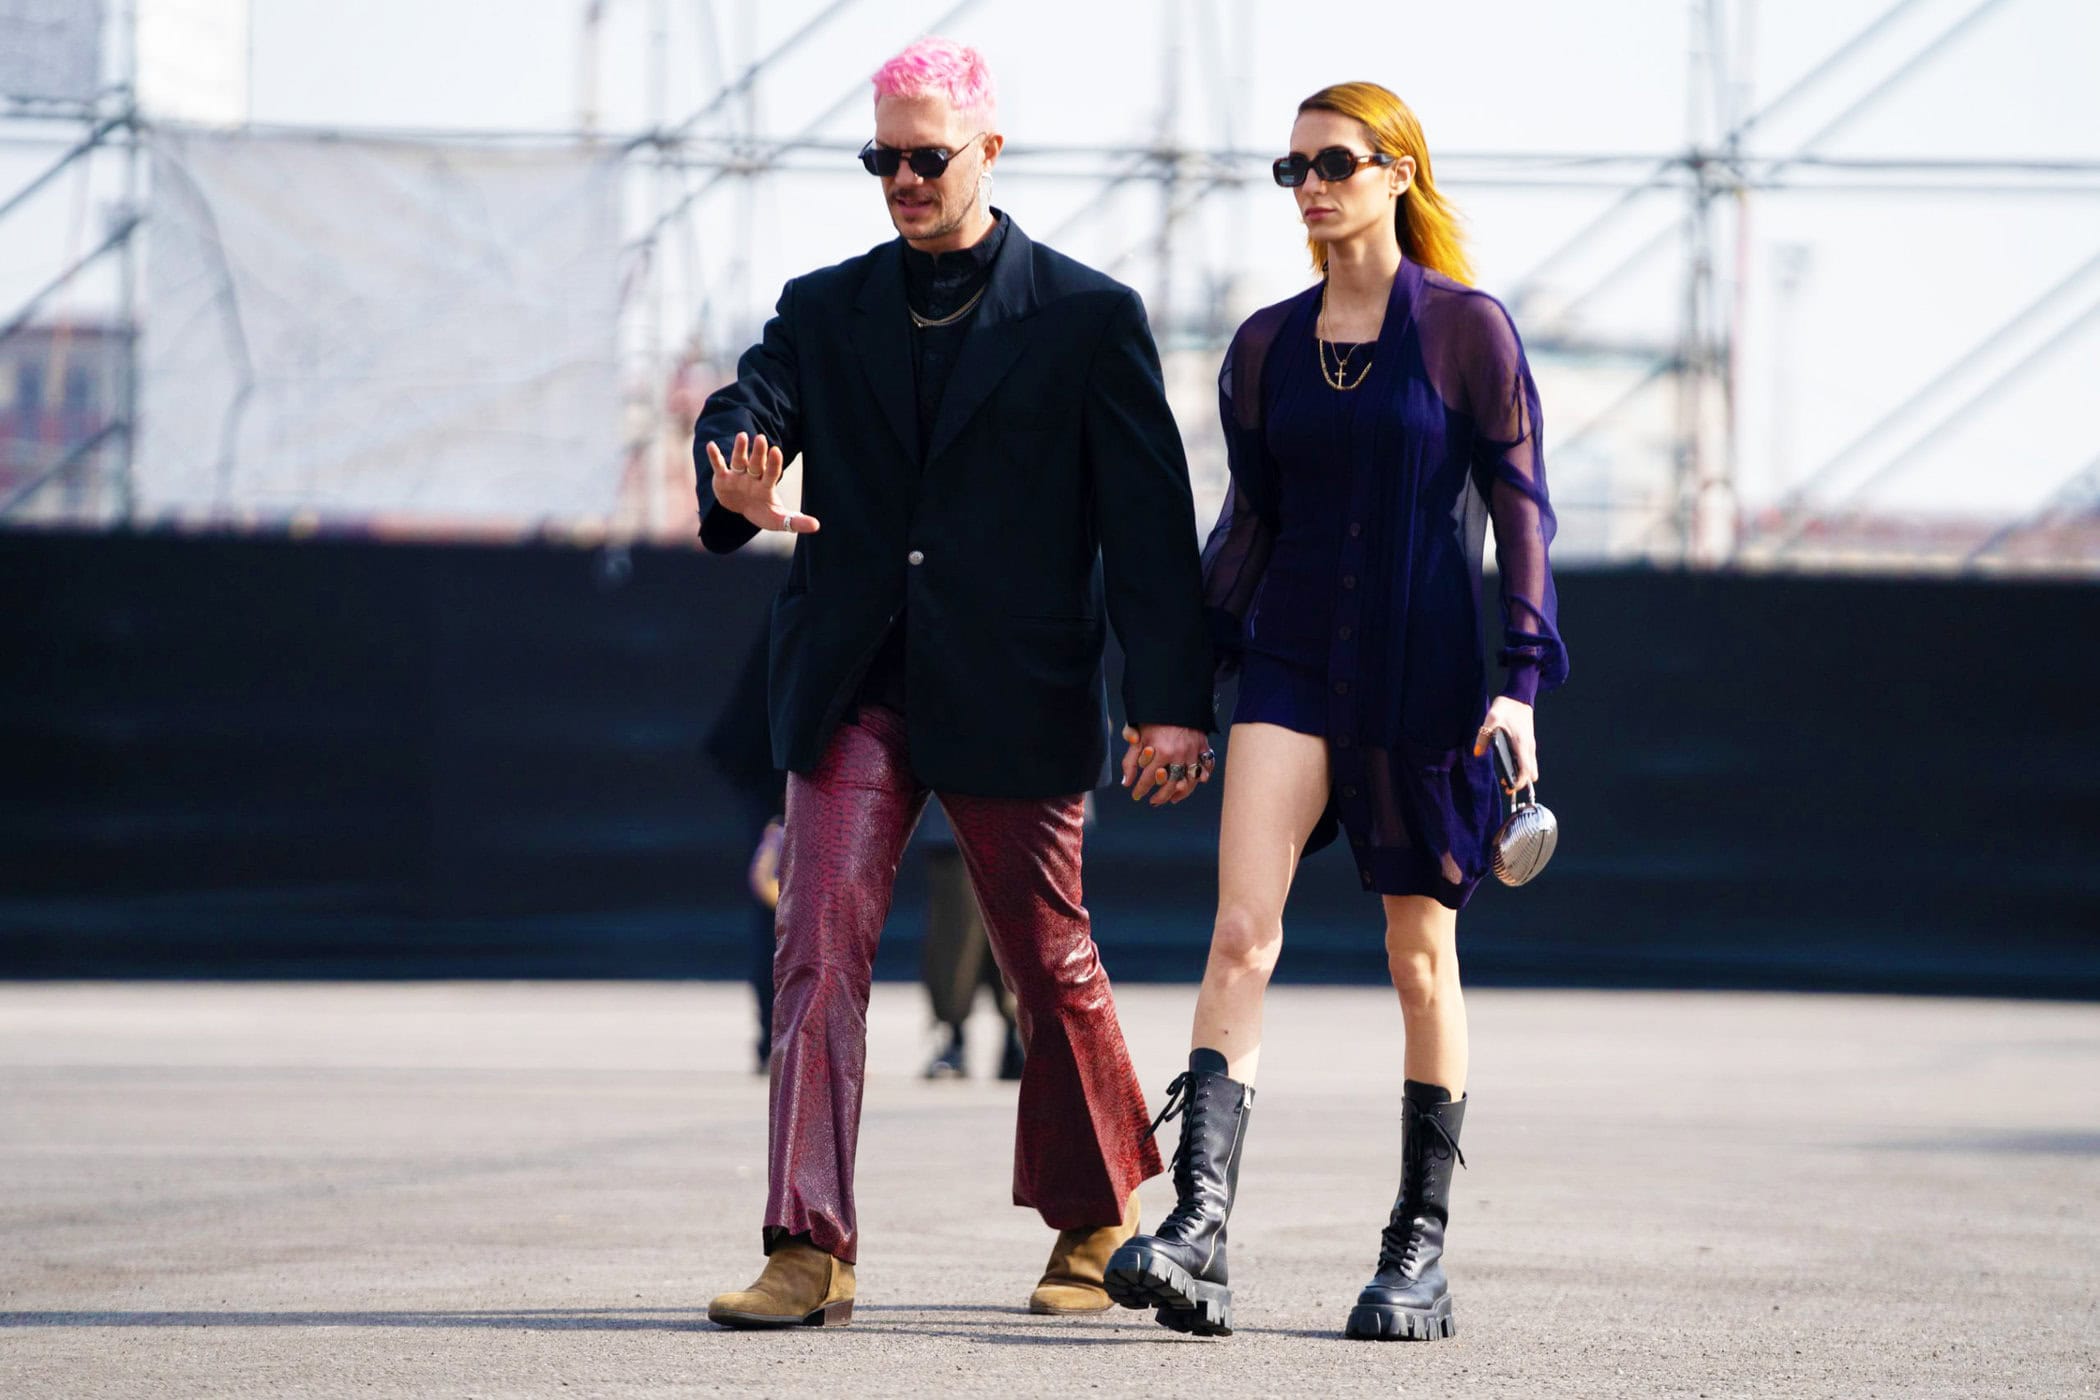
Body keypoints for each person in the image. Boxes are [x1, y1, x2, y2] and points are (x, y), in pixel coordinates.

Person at [699, 37, 1217, 1329]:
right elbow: (749, 401)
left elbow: (1150, 528)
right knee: (816, 943)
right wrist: (737, 470)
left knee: (1049, 959)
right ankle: (807, 1246)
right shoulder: (825, 306)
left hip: (1014, 684)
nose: (903, 179)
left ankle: (1095, 1217)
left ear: (989, 148)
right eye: (881, 158)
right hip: (855, 681)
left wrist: (1169, 702)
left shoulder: (1088, 317)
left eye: (927, 156)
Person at [1104, 81, 1569, 1342]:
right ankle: (1198, 1228)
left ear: (1397, 172)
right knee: (1240, 932)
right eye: (1292, 168)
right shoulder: (1266, 346)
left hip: (1427, 681)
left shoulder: (1468, 331)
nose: (1309, 186)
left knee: (1420, 957)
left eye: (1334, 163)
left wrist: (1522, 681)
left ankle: (1417, 1247)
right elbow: (1247, 526)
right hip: (1293, 665)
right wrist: (1180, 696)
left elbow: (1523, 512)